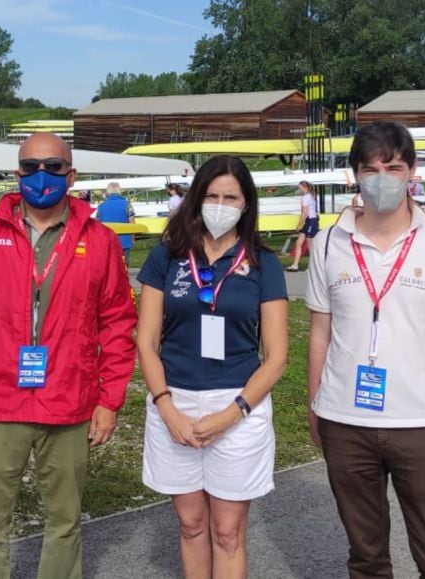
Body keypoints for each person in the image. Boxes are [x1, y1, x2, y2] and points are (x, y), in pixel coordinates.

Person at [0, 133, 137, 579]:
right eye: (30, 167)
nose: (40, 176)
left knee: (64, 524)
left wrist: (109, 401)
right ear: (17, 173)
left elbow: (119, 324)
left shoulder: (99, 241)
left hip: (69, 403)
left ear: (72, 174)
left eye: (52, 166)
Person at [306, 120, 425, 579]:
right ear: (354, 175)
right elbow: (320, 332)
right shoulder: (326, 246)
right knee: (366, 557)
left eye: (394, 167)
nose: (383, 178)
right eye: (371, 169)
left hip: (420, 421)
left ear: (412, 171)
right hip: (345, 420)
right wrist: (315, 405)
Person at [137, 155, 288, 578]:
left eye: (230, 197)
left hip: (239, 407)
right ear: (196, 199)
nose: (220, 204)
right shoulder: (166, 256)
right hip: (174, 403)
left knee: (226, 531)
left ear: (246, 204)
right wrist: (166, 407)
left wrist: (231, 413)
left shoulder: (263, 263)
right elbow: (146, 342)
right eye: (212, 195)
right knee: (191, 525)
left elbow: (276, 357)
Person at [95, 181, 137, 265]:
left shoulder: (101, 206)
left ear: (108, 191)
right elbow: (132, 223)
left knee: (110, 267)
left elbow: (97, 225)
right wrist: (132, 238)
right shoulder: (127, 204)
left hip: (107, 242)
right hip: (124, 241)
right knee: (124, 266)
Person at [287, 180, 319, 271]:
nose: (299, 189)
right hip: (310, 221)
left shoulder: (306, 197)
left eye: (300, 188)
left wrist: (299, 225)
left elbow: (304, 213)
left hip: (311, 221)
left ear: (304, 188)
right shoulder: (310, 196)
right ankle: (295, 264)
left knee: (310, 245)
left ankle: (313, 266)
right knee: (298, 243)